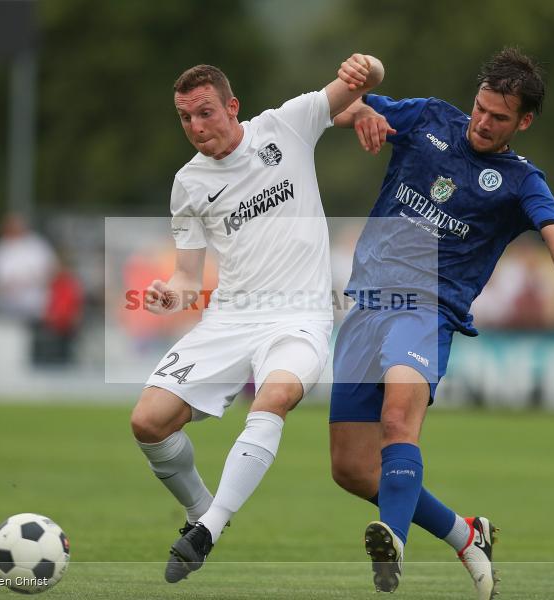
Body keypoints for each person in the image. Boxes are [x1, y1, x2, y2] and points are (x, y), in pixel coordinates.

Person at [329, 47, 554, 599]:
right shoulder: (430, 118)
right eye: (481, 108)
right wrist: (360, 110)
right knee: (350, 469)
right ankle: (466, 534)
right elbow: (338, 108)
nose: (483, 122)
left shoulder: (521, 181)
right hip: (366, 307)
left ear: (524, 122)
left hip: (427, 310)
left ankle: (393, 539)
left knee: (397, 422)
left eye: (500, 117)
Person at [128, 53, 385, 583]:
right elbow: (187, 279)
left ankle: (210, 529)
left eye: (205, 113)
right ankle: (201, 510)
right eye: (185, 118)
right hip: (229, 320)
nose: (196, 127)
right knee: (148, 422)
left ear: (232, 107)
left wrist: (369, 68)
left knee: (273, 397)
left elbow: (361, 83)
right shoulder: (189, 184)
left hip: (300, 318)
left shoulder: (285, 125)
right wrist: (168, 296)